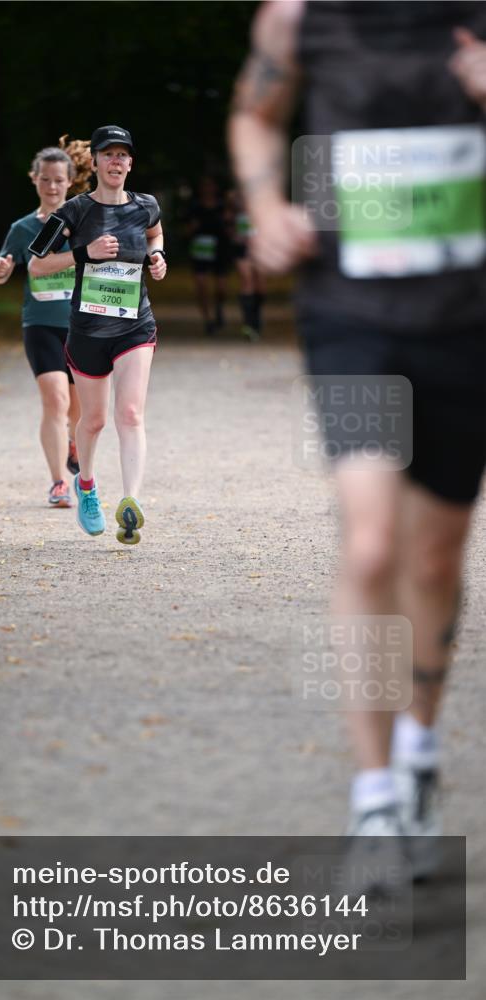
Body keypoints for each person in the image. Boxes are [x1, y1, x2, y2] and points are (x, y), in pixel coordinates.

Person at [229, 0, 486, 867]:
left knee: (433, 559)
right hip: (350, 313)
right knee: (371, 543)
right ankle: (373, 798)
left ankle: (417, 746)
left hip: (465, 318)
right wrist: (266, 207)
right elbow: (254, 114)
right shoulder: (298, 18)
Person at [29, 125, 167, 545]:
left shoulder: (146, 206)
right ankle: (86, 485)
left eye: (124, 155)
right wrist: (83, 253)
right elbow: (37, 265)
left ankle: (130, 503)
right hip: (88, 330)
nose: (117, 162)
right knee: (93, 420)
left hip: (134, 325)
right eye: (109, 155)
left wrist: (158, 254)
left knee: (130, 414)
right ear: (97, 161)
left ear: (131, 163)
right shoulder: (74, 212)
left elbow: (155, 232)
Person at [0, 138, 91, 507]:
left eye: (58, 180)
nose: (52, 187)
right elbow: (0, 271)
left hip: (81, 325)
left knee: (78, 409)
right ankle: (58, 483)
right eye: (45, 179)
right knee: (55, 401)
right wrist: (0, 269)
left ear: (70, 182)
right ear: (34, 180)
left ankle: (73, 442)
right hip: (41, 326)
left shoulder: (83, 222)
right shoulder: (22, 228)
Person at [185, 176, 231, 336]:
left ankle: (219, 308)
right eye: (205, 186)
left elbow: (231, 228)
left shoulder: (222, 206)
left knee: (221, 287)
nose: (208, 189)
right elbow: (185, 230)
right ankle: (208, 320)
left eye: (211, 185)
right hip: (200, 248)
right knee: (201, 285)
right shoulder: (194, 207)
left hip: (220, 248)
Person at [227, 187, 266, 341]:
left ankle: (257, 316)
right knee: (246, 280)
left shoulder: (264, 193)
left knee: (260, 285)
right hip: (241, 246)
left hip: (259, 246)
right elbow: (227, 219)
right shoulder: (234, 196)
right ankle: (249, 324)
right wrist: (234, 234)